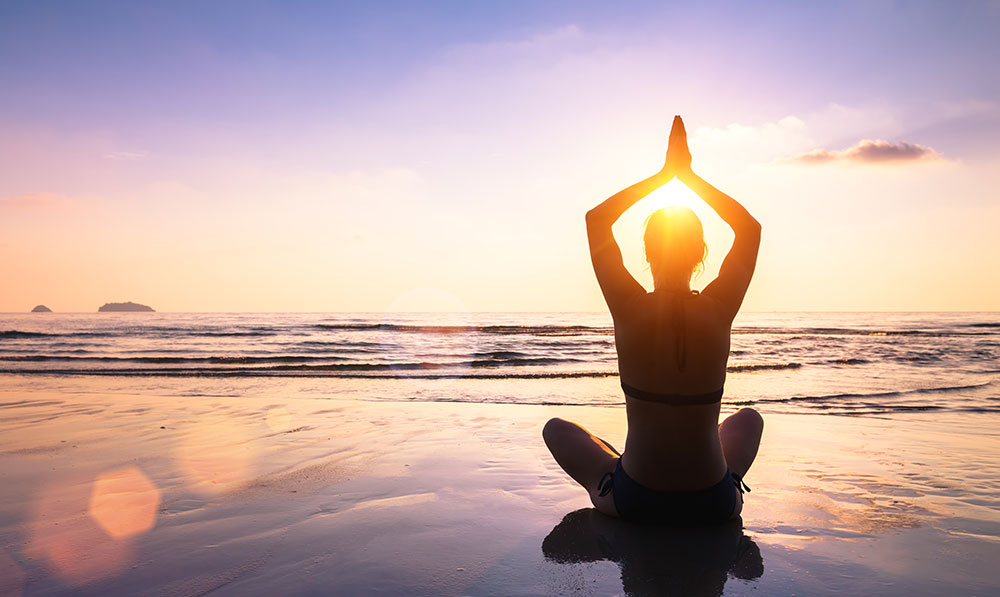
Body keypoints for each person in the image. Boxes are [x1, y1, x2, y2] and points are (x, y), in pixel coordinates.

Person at [543, 116, 764, 525]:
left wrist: (663, 176)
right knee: (749, 419)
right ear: (701, 255)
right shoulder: (719, 307)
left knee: (558, 429)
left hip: (637, 500)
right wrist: (689, 176)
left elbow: (596, 221)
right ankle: (728, 480)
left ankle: (612, 473)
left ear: (646, 253)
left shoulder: (628, 306)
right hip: (713, 504)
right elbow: (749, 230)